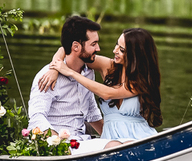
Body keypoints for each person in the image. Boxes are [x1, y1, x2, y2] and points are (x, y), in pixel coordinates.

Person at [48, 27, 163, 147]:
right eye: (117, 45)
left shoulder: (141, 82)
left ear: (135, 55)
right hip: (109, 141)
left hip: (138, 138)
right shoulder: (109, 67)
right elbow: (74, 53)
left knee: (127, 146)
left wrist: (71, 72)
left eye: (121, 49)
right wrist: (54, 69)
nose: (115, 50)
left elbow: (107, 93)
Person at [27, 15, 104, 143]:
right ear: (76, 46)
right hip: (59, 146)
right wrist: (59, 143)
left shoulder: (88, 72)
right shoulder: (47, 77)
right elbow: (36, 117)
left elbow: (91, 110)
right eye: (94, 44)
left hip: (82, 142)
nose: (98, 49)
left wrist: (112, 137)